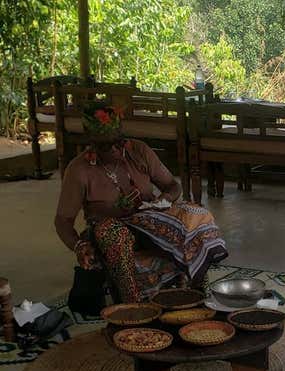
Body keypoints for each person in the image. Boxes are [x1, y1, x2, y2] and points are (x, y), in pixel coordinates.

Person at [55, 102, 228, 303]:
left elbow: (173, 186)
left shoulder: (139, 150)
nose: (113, 150)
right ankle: (134, 305)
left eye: (117, 142)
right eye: (105, 145)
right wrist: (79, 246)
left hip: (150, 223)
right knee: (110, 231)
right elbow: (62, 220)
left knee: (194, 212)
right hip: (112, 233)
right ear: (91, 141)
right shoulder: (79, 169)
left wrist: (162, 201)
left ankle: (197, 292)